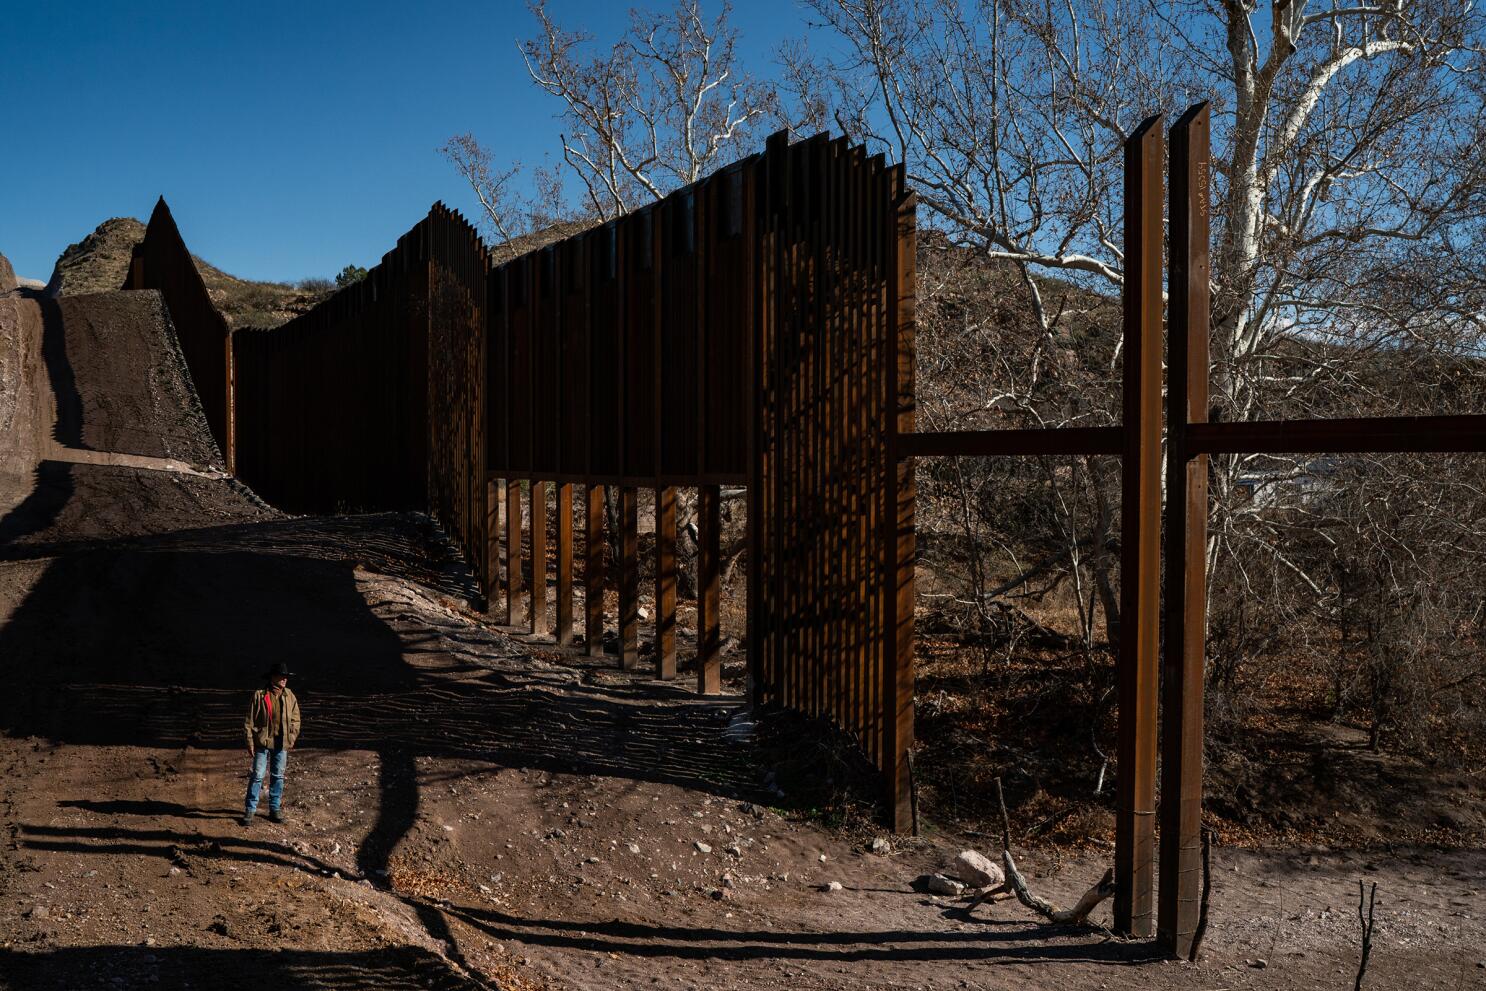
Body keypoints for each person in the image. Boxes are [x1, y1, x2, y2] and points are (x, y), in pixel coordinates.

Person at [241, 662, 301, 827]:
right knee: (258, 776)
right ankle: (250, 809)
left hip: (281, 744)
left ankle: (274, 809)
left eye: (286, 677)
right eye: (281, 677)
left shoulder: (290, 696)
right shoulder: (259, 695)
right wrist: (250, 742)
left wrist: (292, 736)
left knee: (278, 777)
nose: (284, 680)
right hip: (262, 743)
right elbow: (249, 721)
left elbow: (296, 720)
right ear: (272, 677)